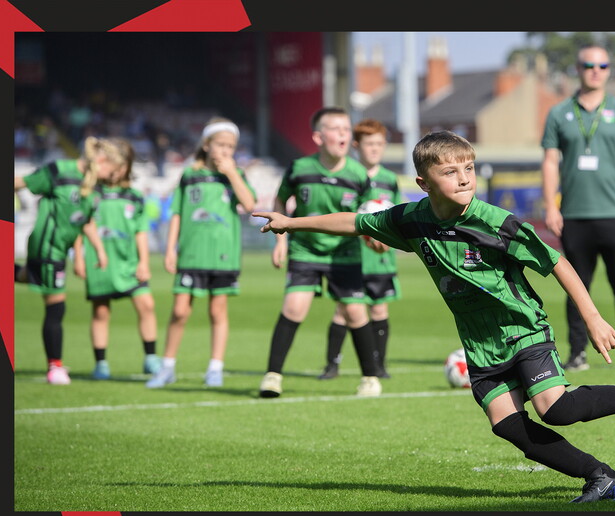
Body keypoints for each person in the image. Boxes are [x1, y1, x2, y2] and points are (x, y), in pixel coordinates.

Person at [252, 130, 615, 503]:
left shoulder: (496, 223)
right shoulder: (409, 220)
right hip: (478, 343)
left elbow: (557, 262)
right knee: (508, 425)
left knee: (555, 408)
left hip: (521, 328)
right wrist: (292, 222)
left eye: (469, 168)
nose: (464, 178)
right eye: (451, 171)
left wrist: (592, 317)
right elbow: (355, 222)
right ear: (423, 183)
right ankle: (602, 477)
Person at [540, 44, 615, 371]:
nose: (595, 70)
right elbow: (549, 161)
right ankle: (577, 353)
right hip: (574, 214)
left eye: (602, 66)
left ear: (609, 71)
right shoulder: (559, 113)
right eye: (589, 65)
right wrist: (551, 205)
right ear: (577, 68)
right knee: (577, 288)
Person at [259, 106, 383, 398]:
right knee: (294, 307)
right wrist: (279, 242)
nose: (343, 133)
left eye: (346, 128)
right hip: (305, 250)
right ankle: (272, 376)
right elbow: (280, 200)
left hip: (344, 253)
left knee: (355, 311)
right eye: (336, 128)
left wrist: (372, 237)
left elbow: (368, 216)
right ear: (318, 136)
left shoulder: (358, 175)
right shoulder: (299, 168)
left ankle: (370, 378)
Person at [145, 117, 257, 389]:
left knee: (218, 311)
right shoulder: (190, 175)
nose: (225, 150)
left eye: (231, 146)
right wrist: (170, 248)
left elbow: (250, 204)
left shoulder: (236, 176)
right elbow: (176, 213)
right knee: (180, 311)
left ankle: (215, 367)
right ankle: (167, 366)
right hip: (191, 255)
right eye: (220, 144)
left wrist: (231, 172)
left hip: (223, 255)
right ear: (206, 145)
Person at [14, 136, 130, 384]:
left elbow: (85, 219)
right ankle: (55, 367)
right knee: (57, 305)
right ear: (101, 161)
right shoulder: (59, 171)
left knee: (25, 275)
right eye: (112, 169)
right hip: (46, 246)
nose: (113, 176)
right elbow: (21, 182)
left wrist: (98, 250)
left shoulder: (93, 187)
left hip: (60, 250)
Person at [319, 118, 402, 381]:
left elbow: (398, 218)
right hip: (352, 258)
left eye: (379, 143)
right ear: (356, 146)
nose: (375, 149)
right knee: (344, 311)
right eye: (369, 144)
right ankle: (332, 365)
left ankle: (380, 365)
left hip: (381, 261)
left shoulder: (390, 179)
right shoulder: (348, 175)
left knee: (379, 309)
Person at [72, 138, 161, 380]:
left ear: (126, 167)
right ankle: (101, 363)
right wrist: (78, 257)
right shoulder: (91, 192)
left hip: (129, 261)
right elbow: (80, 225)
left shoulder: (133, 196)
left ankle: (151, 358)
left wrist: (144, 262)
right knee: (101, 312)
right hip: (99, 261)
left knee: (147, 305)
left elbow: (141, 231)